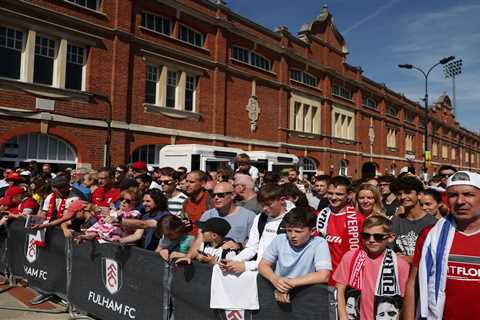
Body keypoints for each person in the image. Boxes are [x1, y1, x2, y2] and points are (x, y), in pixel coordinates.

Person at [405, 171, 480, 319]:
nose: (460, 201)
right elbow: (413, 284)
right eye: (453, 195)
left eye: (468, 194)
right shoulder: (430, 235)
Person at [334, 215, 409, 320]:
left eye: (378, 236)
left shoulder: (400, 265)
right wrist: (343, 317)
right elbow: (339, 289)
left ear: (391, 237)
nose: (371, 240)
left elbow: (405, 301)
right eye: (366, 235)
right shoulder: (350, 257)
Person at [259, 207, 331, 303]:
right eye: (289, 230)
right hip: (277, 292)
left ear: (312, 231)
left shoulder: (319, 243)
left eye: (298, 231)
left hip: (305, 295)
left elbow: (323, 275)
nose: (292, 235)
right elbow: (263, 265)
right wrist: (275, 280)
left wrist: (287, 285)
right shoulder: (279, 239)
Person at [178, 182, 255, 264]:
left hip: (235, 265)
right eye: (213, 195)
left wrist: (239, 245)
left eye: (221, 195)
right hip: (207, 265)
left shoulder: (249, 216)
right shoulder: (208, 214)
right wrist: (188, 257)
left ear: (232, 195)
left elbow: (253, 244)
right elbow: (199, 240)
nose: (216, 198)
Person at [316, 176, 365, 283]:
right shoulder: (320, 215)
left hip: (346, 279)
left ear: (349, 195)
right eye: (330, 193)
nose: (333, 198)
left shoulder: (358, 219)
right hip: (322, 277)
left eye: (339, 194)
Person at [390, 176, 436, 262]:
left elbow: (434, 256)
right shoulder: (395, 221)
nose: (403, 197)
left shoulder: (433, 223)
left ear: (419, 195)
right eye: (399, 194)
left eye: (407, 192)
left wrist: (408, 258)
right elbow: (389, 251)